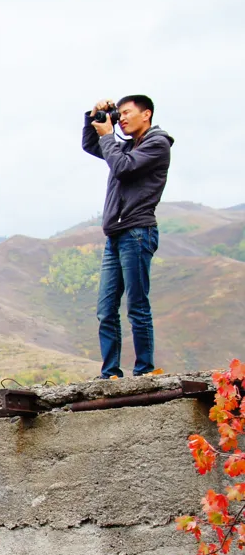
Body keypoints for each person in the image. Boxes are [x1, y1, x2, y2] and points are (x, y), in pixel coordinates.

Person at [81, 94, 174, 378]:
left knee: (137, 305)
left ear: (146, 114)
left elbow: (122, 167)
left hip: (137, 232)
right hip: (116, 235)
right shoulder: (124, 147)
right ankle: (110, 372)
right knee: (106, 310)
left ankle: (145, 370)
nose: (121, 118)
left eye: (126, 113)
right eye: (118, 114)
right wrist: (93, 117)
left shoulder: (157, 145)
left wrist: (109, 135)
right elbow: (90, 144)